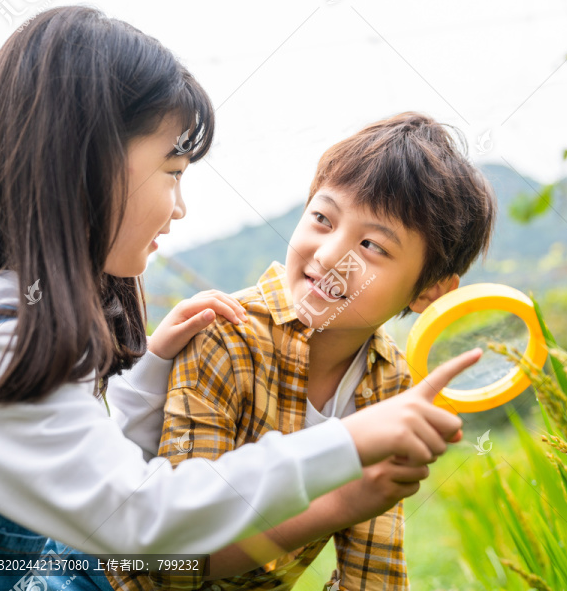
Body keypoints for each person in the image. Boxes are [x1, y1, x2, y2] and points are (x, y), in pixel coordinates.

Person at [0, 7, 481, 591]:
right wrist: (349, 444)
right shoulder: (0, 343)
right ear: (85, 164)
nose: (179, 206)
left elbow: (83, 470)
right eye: (172, 170)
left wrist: (147, 375)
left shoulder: (18, 322)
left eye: (374, 245)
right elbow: (149, 526)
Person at [109, 112, 497, 591]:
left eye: (373, 245)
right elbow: (174, 561)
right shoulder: (227, 339)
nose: (332, 255)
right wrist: (342, 503)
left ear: (429, 292)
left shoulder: (390, 383)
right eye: (322, 218)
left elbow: (373, 565)